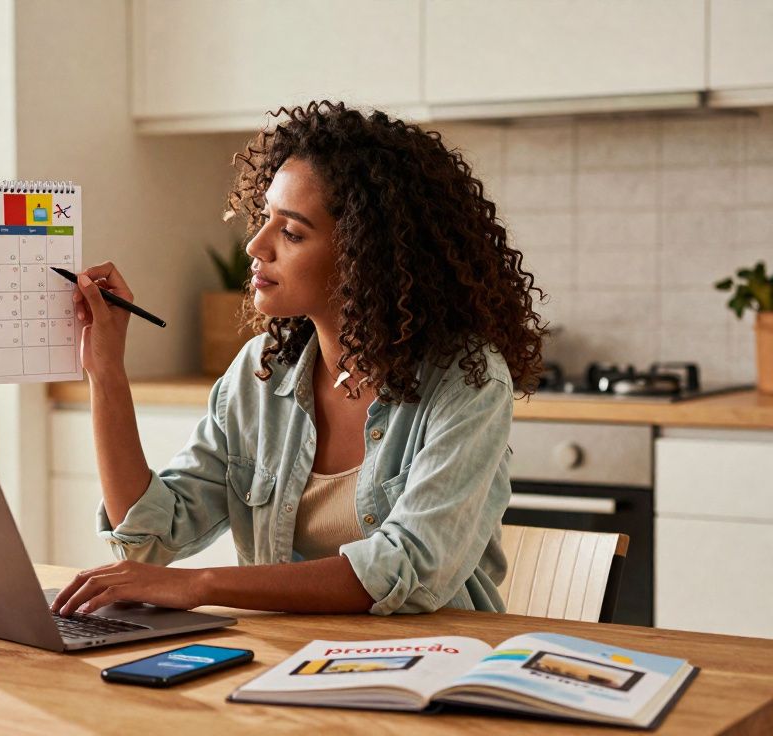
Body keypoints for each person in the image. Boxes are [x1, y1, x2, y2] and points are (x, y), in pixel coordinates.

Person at [51, 100, 547, 618]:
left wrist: (200, 585)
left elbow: (406, 567)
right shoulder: (262, 372)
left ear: (364, 255)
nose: (255, 246)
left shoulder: (467, 380)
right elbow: (150, 537)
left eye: (291, 232)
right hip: (284, 656)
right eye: (265, 218)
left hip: (433, 656)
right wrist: (106, 372)